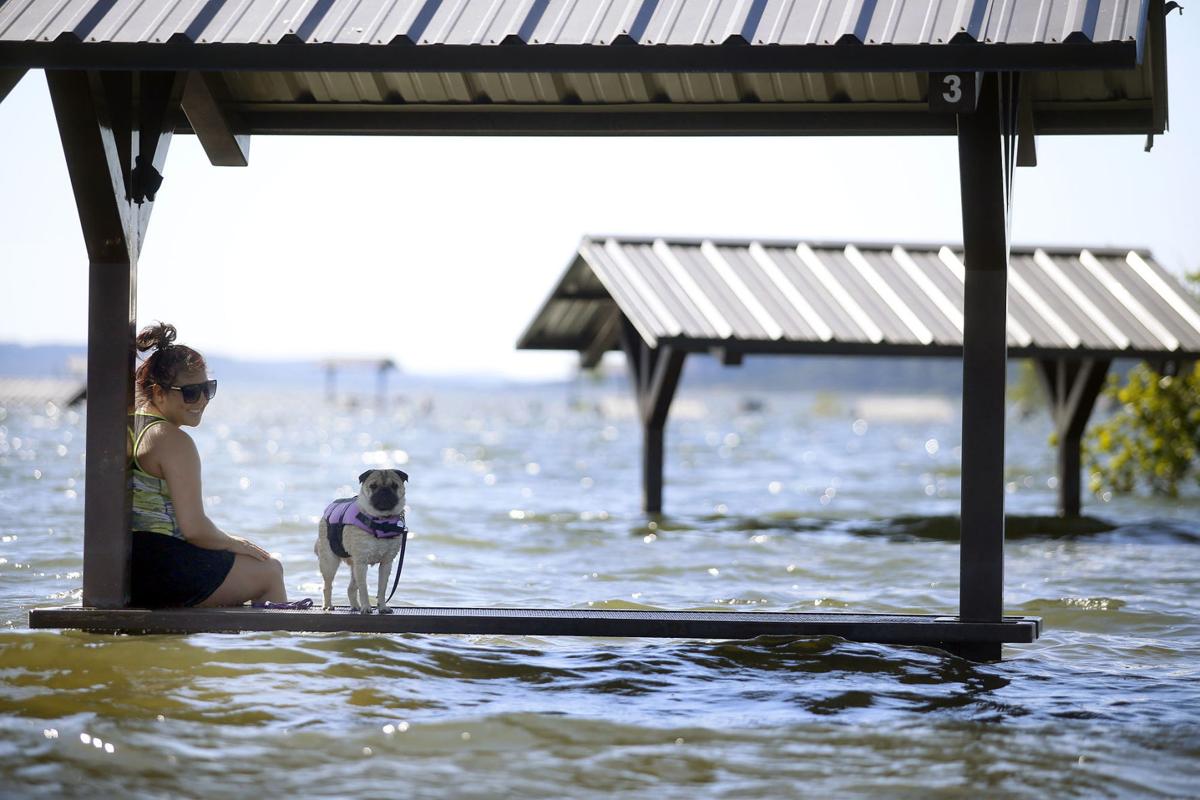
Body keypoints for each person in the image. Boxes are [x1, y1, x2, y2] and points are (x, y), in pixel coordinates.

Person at [128, 322, 288, 607]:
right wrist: (234, 542)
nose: (201, 400)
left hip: (134, 567)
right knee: (270, 570)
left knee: (241, 570)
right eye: (190, 392)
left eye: (207, 389)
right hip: (165, 571)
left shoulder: (130, 426)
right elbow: (194, 529)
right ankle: (271, 650)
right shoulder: (173, 440)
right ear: (159, 392)